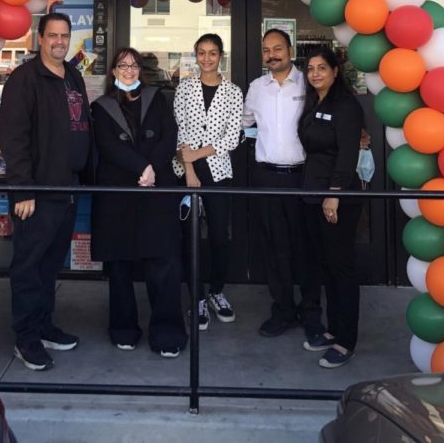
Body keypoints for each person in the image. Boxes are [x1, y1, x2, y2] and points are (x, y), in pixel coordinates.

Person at [0, 11, 94, 371]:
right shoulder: (25, 79)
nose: (59, 41)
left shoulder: (71, 75)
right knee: (28, 267)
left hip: (67, 187)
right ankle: (26, 338)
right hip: (36, 193)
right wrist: (23, 190)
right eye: (52, 35)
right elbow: (13, 137)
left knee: (50, 265)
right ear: (40, 38)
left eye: (64, 36)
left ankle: (44, 325)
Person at [91, 47, 187, 358]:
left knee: (163, 263)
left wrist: (151, 168)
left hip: (156, 190)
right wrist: (140, 167)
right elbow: (107, 146)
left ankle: (167, 332)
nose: (129, 70)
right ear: (114, 72)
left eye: (134, 65)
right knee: (119, 265)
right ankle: (123, 328)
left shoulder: (157, 98)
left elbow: (168, 136)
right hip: (118, 195)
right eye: (123, 65)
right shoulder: (101, 108)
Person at [242, 28, 323, 340]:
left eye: (277, 48)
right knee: (275, 248)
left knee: (307, 248)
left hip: (304, 177)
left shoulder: (309, 83)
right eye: (265, 49)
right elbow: (246, 122)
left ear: (290, 50)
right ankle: (284, 310)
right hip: (267, 177)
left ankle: (312, 313)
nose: (271, 54)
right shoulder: (256, 88)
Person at [298, 46, 364, 369]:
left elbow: (348, 152)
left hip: (336, 196)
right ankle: (333, 329)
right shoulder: (315, 102)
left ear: (335, 71)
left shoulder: (346, 105)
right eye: (310, 69)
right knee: (324, 264)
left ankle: (345, 339)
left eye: (322, 68)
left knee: (341, 267)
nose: (315, 74)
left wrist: (335, 193)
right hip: (312, 193)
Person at [173, 33, 243, 330]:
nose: (206, 58)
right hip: (186, 170)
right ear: (195, 55)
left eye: (212, 53)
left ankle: (216, 291)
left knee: (218, 236)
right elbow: (178, 128)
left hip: (218, 170)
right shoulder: (184, 88)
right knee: (190, 237)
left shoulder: (233, 92)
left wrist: (199, 154)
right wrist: (188, 167)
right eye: (201, 52)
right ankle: (197, 296)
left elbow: (232, 136)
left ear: (220, 56)